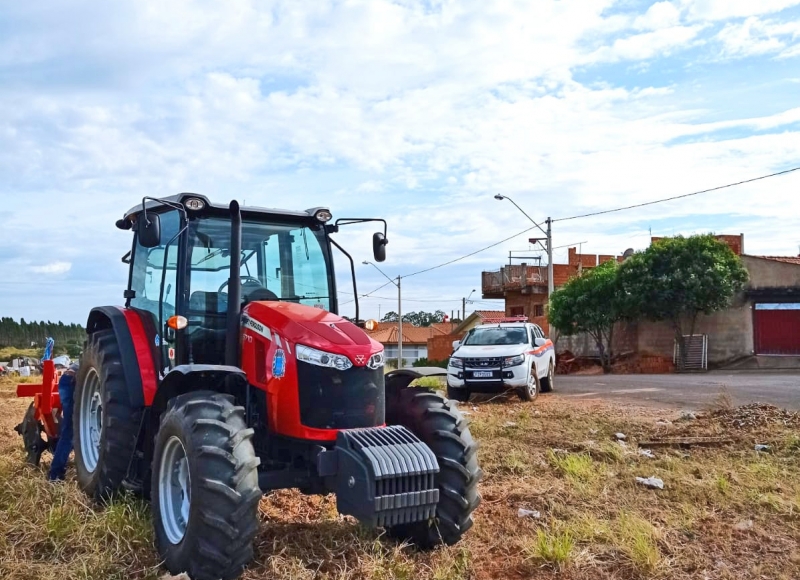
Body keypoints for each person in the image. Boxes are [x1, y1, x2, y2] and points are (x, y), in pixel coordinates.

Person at [49, 363, 79, 481]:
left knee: (73, 429)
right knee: (69, 430)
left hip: (69, 381)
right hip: (70, 382)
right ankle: (55, 474)